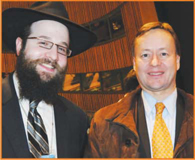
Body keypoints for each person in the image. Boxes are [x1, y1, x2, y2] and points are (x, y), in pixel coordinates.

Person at [84, 22, 193, 158]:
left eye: (163, 54)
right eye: (145, 55)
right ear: (134, 64)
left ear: (177, 61)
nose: (154, 62)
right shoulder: (102, 124)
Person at [2, 2, 97, 158]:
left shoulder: (77, 118)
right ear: (20, 46)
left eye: (62, 48)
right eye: (44, 43)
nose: (54, 56)